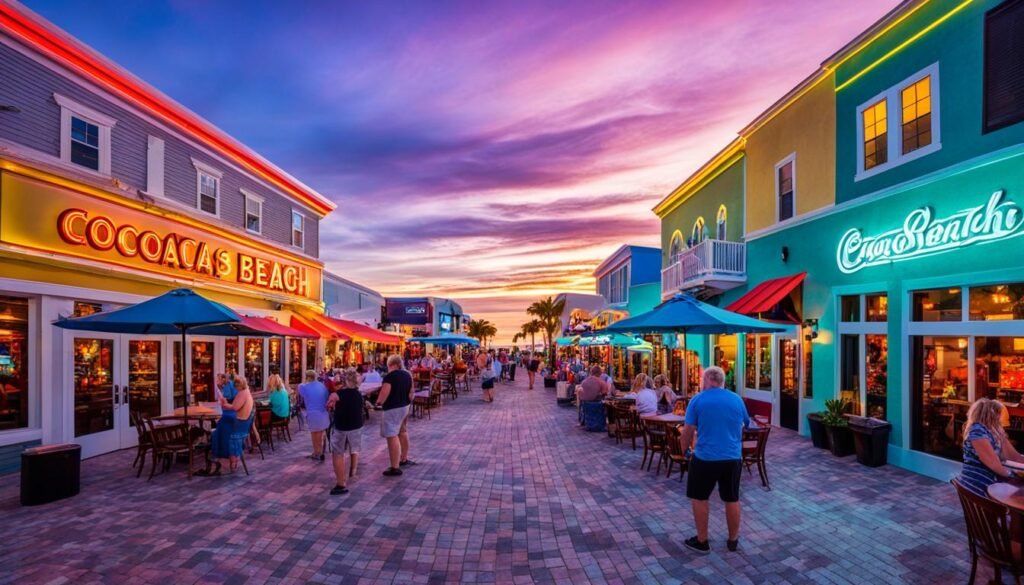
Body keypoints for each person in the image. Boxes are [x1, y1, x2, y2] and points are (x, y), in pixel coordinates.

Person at [679, 366, 749, 554]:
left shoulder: (698, 400)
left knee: (700, 498)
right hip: (732, 457)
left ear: (707, 380)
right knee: (732, 498)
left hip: (705, 458)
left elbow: (687, 431)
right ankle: (733, 539)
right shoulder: (736, 399)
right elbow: (745, 424)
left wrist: (684, 450)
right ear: (722, 381)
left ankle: (702, 540)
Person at [958, 398, 1024, 497]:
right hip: (978, 487)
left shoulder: (995, 431)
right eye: (998, 413)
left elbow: (1015, 457)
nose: (1000, 417)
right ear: (990, 414)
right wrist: (1015, 475)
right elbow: (994, 465)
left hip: (992, 484)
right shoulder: (977, 430)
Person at [375, 354, 415, 476]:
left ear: (392, 365)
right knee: (402, 431)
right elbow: (411, 392)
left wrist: (378, 403)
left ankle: (395, 466)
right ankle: (404, 458)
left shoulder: (390, 377)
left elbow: (384, 393)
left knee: (392, 435)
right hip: (405, 406)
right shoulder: (408, 374)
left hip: (393, 408)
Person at [326, 368, 364, 495]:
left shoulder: (338, 394)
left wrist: (332, 404)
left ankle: (341, 483)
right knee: (354, 448)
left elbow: (329, 405)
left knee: (338, 453)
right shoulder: (359, 394)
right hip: (356, 426)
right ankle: (353, 471)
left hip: (342, 427)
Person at [208, 375, 254, 474]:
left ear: (239, 385)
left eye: (235, 386)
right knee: (223, 423)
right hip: (243, 425)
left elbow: (235, 407)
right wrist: (225, 404)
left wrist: (224, 404)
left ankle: (219, 454)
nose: (235, 388)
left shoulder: (242, 393)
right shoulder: (247, 393)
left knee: (221, 426)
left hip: (238, 425)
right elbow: (234, 406)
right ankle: (227, 457)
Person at [298, 370, 330, 462]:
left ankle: (317, 452)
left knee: (314, 434)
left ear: (307, 377)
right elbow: (326, 396)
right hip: (323, 413)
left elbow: (300, 387)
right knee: (319, 433)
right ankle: (318, 451)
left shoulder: (305, 387)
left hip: (313, 414)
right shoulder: (322, 385)